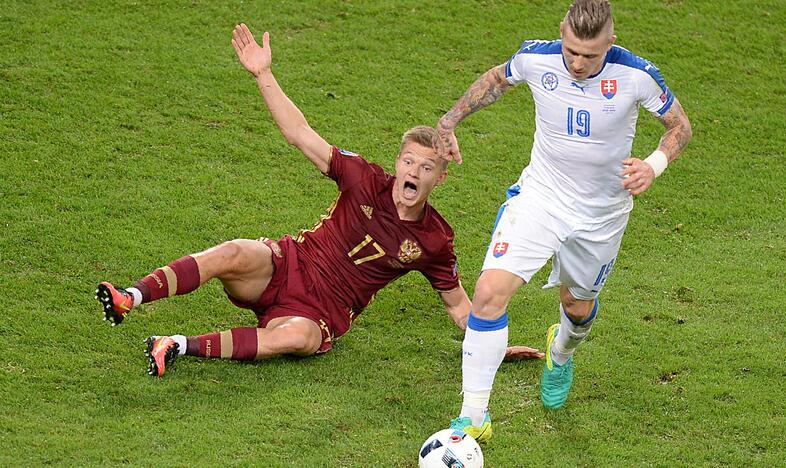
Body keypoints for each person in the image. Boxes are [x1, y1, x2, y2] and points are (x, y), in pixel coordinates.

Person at [95, 23, 541, 377]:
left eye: (426, 168)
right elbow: (299, 133)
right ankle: (131, 295)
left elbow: (459, 307)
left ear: (439, 179)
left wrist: (490, 349)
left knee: (295, 340)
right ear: (398, 161)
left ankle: (175, 344)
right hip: (288, 264)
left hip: (321, 312)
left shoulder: (434, 240)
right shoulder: (363, 178)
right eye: (408, 162)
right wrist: (264, 74)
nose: (412, 173)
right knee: (232, 252)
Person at [436, 0, 692, 442]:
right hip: (541, 198)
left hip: (601, 216)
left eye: (589, 55)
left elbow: (679, 127)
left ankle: (561, 352)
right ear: (562, 33)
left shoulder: (636, 75)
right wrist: (448, 122)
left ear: (609, 42)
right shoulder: (538, 58)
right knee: (489, 291)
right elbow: (497, 79)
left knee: (576, 308)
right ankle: (474, 416)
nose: (577, 62)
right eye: (571, 51)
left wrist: (653, 164)